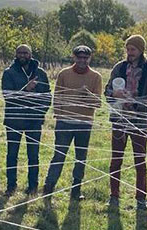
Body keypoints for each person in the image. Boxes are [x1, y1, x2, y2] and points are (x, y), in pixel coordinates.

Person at [105, 34, 147, 208]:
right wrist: (114, 94)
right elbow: (107, 91)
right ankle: (114, 196)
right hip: (119, 119)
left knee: (140, 161)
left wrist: (136, 101)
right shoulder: (119, 67)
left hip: (140, 121)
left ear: (141, 50)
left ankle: (141, 199)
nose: (129, 52)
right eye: (128, 49)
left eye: (133, 49)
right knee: (116, 159)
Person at [42, 45, 102, 200]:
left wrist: (86, 95)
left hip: (84, 123)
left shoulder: (96, 77)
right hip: (64, 123)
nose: (82, 60)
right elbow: (57, 97)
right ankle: (49, 187)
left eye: (85, 58)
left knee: (81, 157)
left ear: (90, 58)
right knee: (59, 155)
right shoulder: (64, 74)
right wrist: (59, 116)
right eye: (79, 57)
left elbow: (97, 103)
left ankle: (76, 190)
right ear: (74, 57)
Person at [1, 44, 52, 196]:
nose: (22, 55)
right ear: (16, 55)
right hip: (14, 120)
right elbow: (8, 96)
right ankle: (11, 186)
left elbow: (47, 96)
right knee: (12, 154)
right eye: (19, 53)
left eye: (25, 53)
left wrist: (40, 114)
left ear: (31, 55)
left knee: (33, 155)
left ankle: (33, 186)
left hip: (34, 121)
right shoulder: (9, 73)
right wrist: (26, 89)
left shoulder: (40, 73)